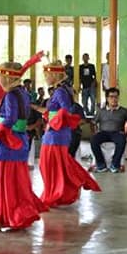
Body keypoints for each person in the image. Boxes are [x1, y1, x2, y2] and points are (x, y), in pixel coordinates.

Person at [0, 59, 49, 230]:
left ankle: (7, 217)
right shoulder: (22, 93)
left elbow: (10, 119)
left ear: (8, 78)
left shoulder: (10, 95)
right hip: (20, 138)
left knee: (5, 179)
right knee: (16, 180)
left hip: (9, 140)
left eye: (0, 77)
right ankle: (15, 213)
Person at [39, 60, 100, 208]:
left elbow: (66, 110)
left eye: (47, 75)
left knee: (49, 165)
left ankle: (54, 194)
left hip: (56, 133)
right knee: (55, 165)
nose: (46, 78)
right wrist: (48, 116)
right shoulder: (61, 90)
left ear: (54, 75)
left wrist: (52, 123)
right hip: (57, 132)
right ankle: (58, 193)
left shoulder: (60, 91)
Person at [91, 87, 127, 172]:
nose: (114, 99)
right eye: (111, 97)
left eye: (116, 97)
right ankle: (101, 165)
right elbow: (93, 123)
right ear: (107, 98)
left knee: (122, 140)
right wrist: (94, 132)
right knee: (93, 139)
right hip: (103, 132)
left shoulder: (124, 111)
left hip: (117, 133)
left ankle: (115, 165)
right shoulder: (101, 111)